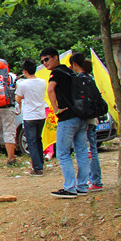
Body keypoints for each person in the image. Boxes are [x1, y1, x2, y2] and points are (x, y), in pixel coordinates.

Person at [42, 47, 90, 198]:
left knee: (63, 153)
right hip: (80, 116)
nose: (45, 63)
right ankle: (82, 186)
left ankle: (70, 187)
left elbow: (50, 90)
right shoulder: (71, 72)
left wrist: (55, 109)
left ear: (56, 57)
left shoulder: (56, 73)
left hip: (67, 118)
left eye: (47, 59)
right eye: (42, 61)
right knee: (81, 151)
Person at [70, 53, 103, 192]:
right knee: (92, 150)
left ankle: (95, 180)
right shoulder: (91, 78)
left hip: (86, 120)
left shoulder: (80, 80)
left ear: (75, 65)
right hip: (93, 119)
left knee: (88, 151)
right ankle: (94, 179)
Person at [15, 59, 48, 176]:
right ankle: (41, 162)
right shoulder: (42, 82)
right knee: (38, 139)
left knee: (31, 142)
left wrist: (18, 109)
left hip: (29, 115)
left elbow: (18, 99)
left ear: (25, 71)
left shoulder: (22, 84)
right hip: (41, 114)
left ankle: (37, 167)